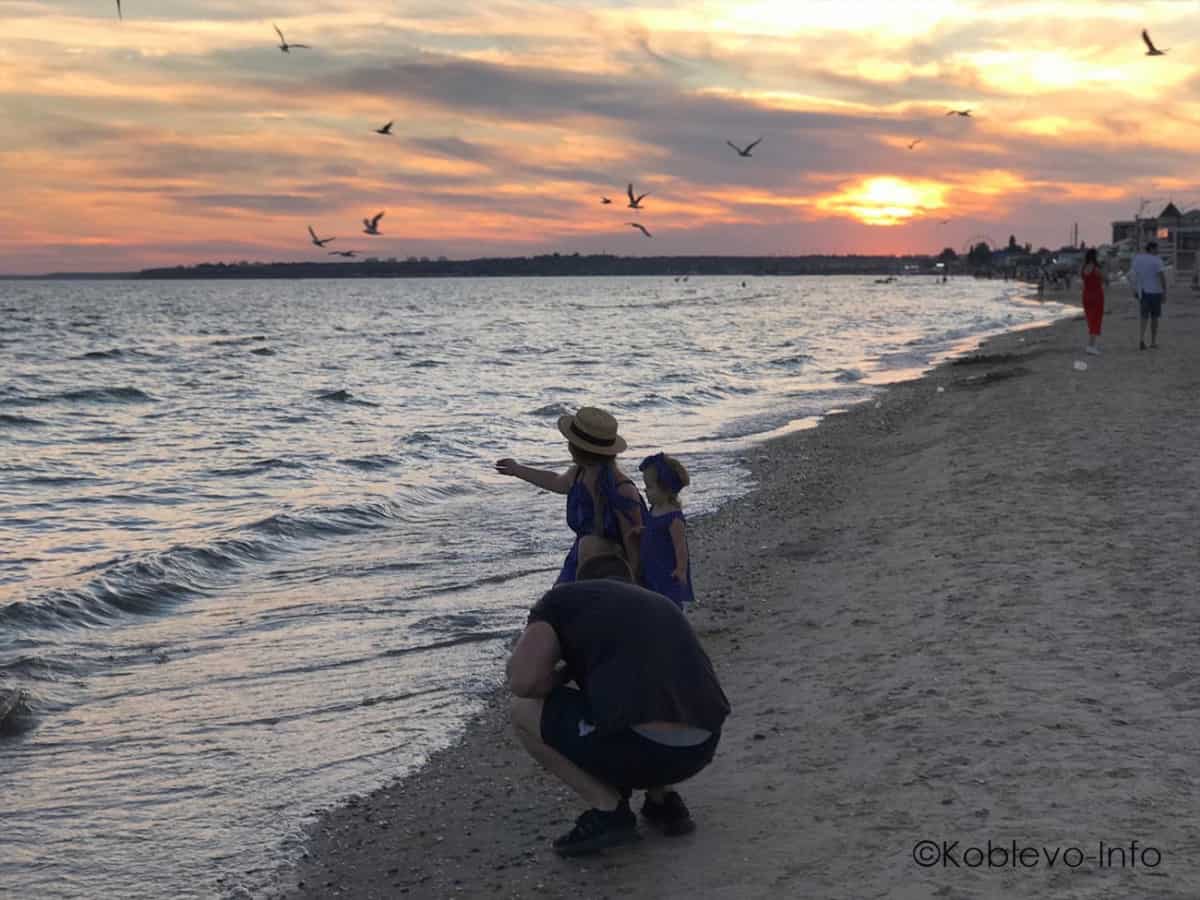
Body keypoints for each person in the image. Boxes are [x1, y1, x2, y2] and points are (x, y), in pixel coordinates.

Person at [507, 539, 730, 856]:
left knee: (523, 710)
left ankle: (608, 811)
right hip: (702, 746)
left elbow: (522, 680)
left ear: (581, 582)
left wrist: (562, 675)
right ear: (629, 581)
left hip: (644, 748)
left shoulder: (563, 600)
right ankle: (663, 800)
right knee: (643, 690)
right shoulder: (660, 603)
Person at [496, 406, 644, 583]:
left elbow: (634, 543)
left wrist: (634, 585)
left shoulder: (622, 490)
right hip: (580, 558)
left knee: (589, 544)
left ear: (577, 448)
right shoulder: (578, 474)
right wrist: (517, 470)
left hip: (616, 567)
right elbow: (554, 481)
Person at [636, 453, 694, 609]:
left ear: (666, 489)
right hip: (652, 564)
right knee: (652, 597)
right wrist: (642, 531)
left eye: (649, 487)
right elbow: (652, 529)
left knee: (669, 600)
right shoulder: (654, 509)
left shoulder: (673, 517)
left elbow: (680, 546)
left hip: (667, 568)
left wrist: (681, 569)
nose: (645, 491)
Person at [1129, 240, 1167, 350]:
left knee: (1144, 317)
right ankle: (1153, 342)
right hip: (1155, 292)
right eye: (1157, 248)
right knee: (1154, 318)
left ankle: (1141, 339)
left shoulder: (1138, 259)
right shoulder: (1157, 260)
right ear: (1152, 248)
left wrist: (1134, 290)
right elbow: (1162, 277)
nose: (1158, 250)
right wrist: (1164, 292)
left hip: (1143, 292)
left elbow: (1132, 275)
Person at [1080, 248, 1105, 355]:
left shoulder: (1083, 268)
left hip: (1086, 295)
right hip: (1096, 295)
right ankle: (1091, 346)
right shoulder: (1096, 268)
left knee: (1090, 319)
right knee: (1096, 320)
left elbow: (1085, 279)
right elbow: (1104, 278)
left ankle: (1091, 344)